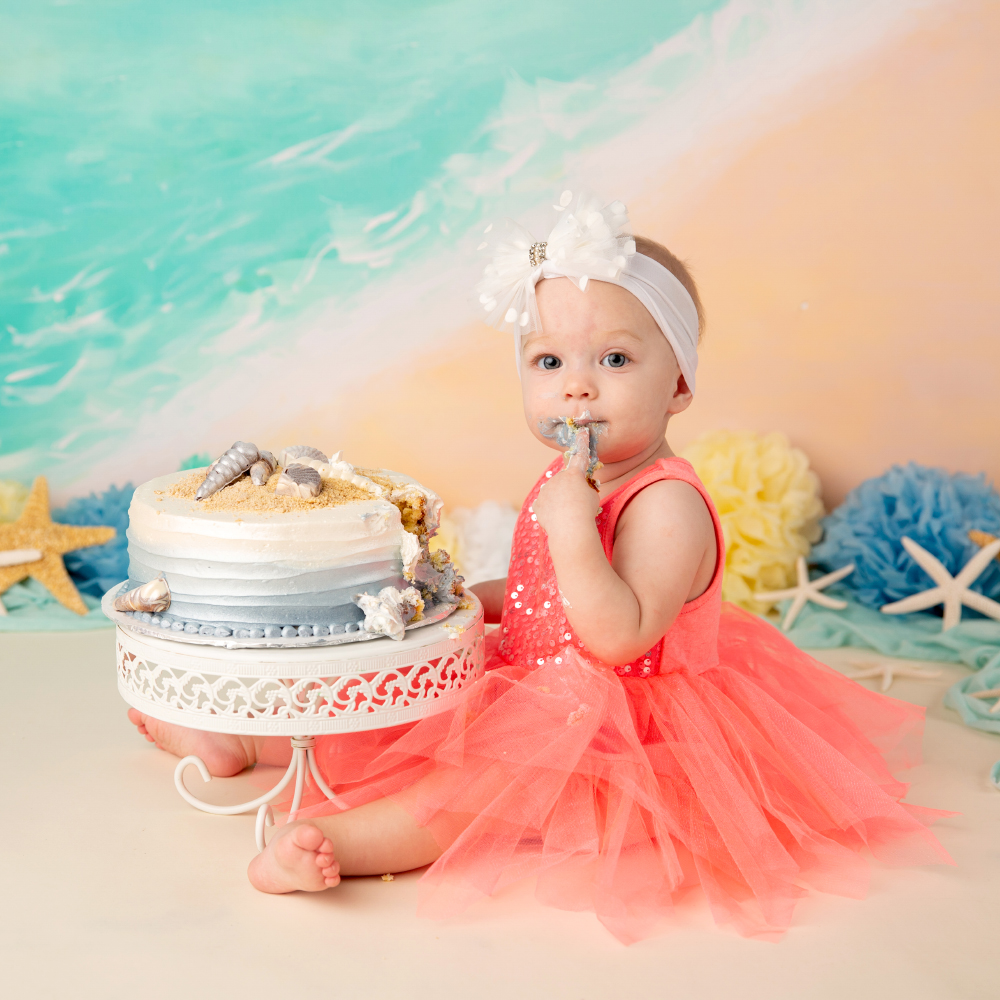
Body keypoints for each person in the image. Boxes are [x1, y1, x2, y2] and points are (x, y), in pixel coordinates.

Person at [129, 192, 952, 943]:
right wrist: (457, 605)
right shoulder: (577, 478)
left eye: (617, 362)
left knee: (468, 789)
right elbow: (536, 596)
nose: (578, 392)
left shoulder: (665, 502)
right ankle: (241, 738)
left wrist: (569, 522)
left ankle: (328, 845)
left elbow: (618, 634)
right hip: (533, 676)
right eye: (549, 364)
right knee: (393, 709)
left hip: (617, 719)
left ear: (681, 386)